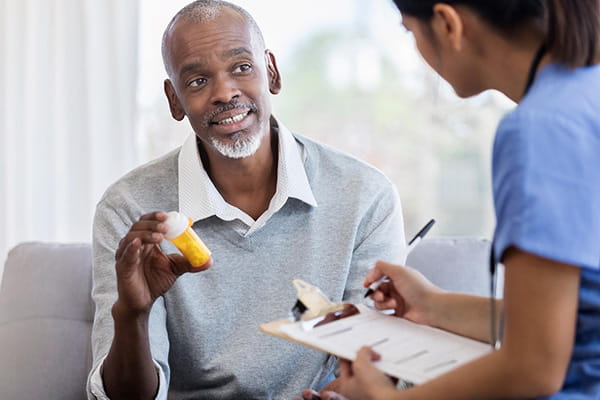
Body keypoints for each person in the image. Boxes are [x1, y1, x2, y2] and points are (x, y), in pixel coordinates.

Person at [85, 1, 406, 399]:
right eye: (198, 81)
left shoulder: (365, 195)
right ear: (174, 101)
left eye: (241, 67)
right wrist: (132, 314)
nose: (224, 93)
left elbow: (372, 365)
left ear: (271, 72)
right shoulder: (129, 208)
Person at [299, 0, 600, 399]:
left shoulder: (539, 130)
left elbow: (536, 366)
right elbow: (567, 322)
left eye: (410, 32)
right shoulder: (586, 96)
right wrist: (433, 305)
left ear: (447, 23)